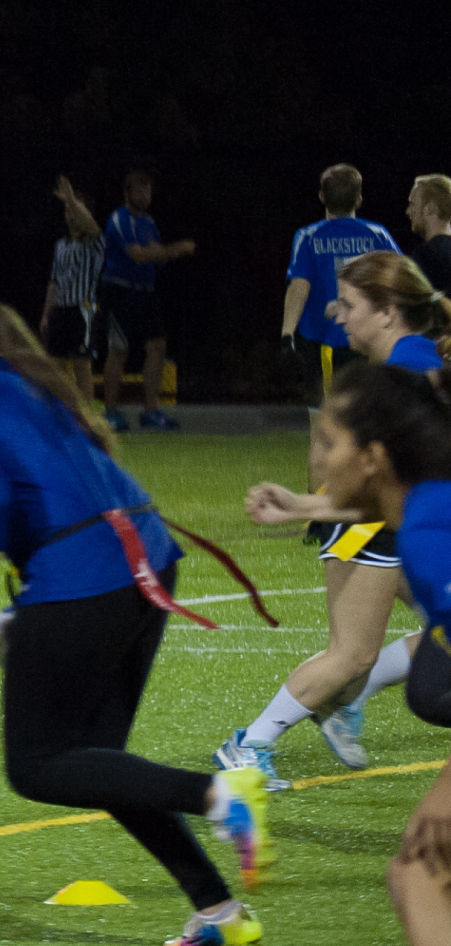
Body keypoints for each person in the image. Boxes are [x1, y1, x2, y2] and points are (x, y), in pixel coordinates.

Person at [0, 259, 268, 946]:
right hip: (144, 557)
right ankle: (219, 913)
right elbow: (52, 484)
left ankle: (219, 795)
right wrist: (31, 610)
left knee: (38, 765)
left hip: (88, 575)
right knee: (101, 764)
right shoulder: (12, 370)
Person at [224, 251, 449, 787]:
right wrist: (305, 506)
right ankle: (250, 745)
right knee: (353, 654)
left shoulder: (407, 375)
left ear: (389, 312)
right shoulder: (409, 367)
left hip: (391, 525)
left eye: (348, 305)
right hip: (383, 526)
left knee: (395, 645)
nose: (337, 315)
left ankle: (344, 703)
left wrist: (305, 506)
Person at [324, 366, 451, 943]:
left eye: (330, 444)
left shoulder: (430, 538)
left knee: (419, 876)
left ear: (373, 458)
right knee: (416, 876)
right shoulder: (427, 512)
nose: (320, 459)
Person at [284, 164, 404, 405]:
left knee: (326, 413)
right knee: (366, 408)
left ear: (321, 197)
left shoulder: (308, 236)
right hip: (369, 336)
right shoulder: (377, 234)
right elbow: (400, 280)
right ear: (358, 199)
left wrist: (287, 333)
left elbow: (300, 284)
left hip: (323, 336)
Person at [100, 169, 197, 431]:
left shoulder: (149, 222)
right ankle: (110, 412)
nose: (144, 195)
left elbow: (157, 255)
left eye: (148, 190)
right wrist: (176, 249)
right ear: (127, 193)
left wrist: (165, 254)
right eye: (139, 190)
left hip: (146, 291)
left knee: (157, 346)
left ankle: (151, 411)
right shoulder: (119, 219)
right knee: (119, 350)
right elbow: (139, 255)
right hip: (120, 290)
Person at [43, 176, 107, 415]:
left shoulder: (94, 243)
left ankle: (86, 416)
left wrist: (70, 197)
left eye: (74, 209)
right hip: (61, 308)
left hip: (83, 309)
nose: (70, 213)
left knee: (82, 364)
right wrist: (46, 314)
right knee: (57, 365)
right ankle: (60, 413)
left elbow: (91, 225)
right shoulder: (61, 245)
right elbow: (54, 281)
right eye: (67, 209)